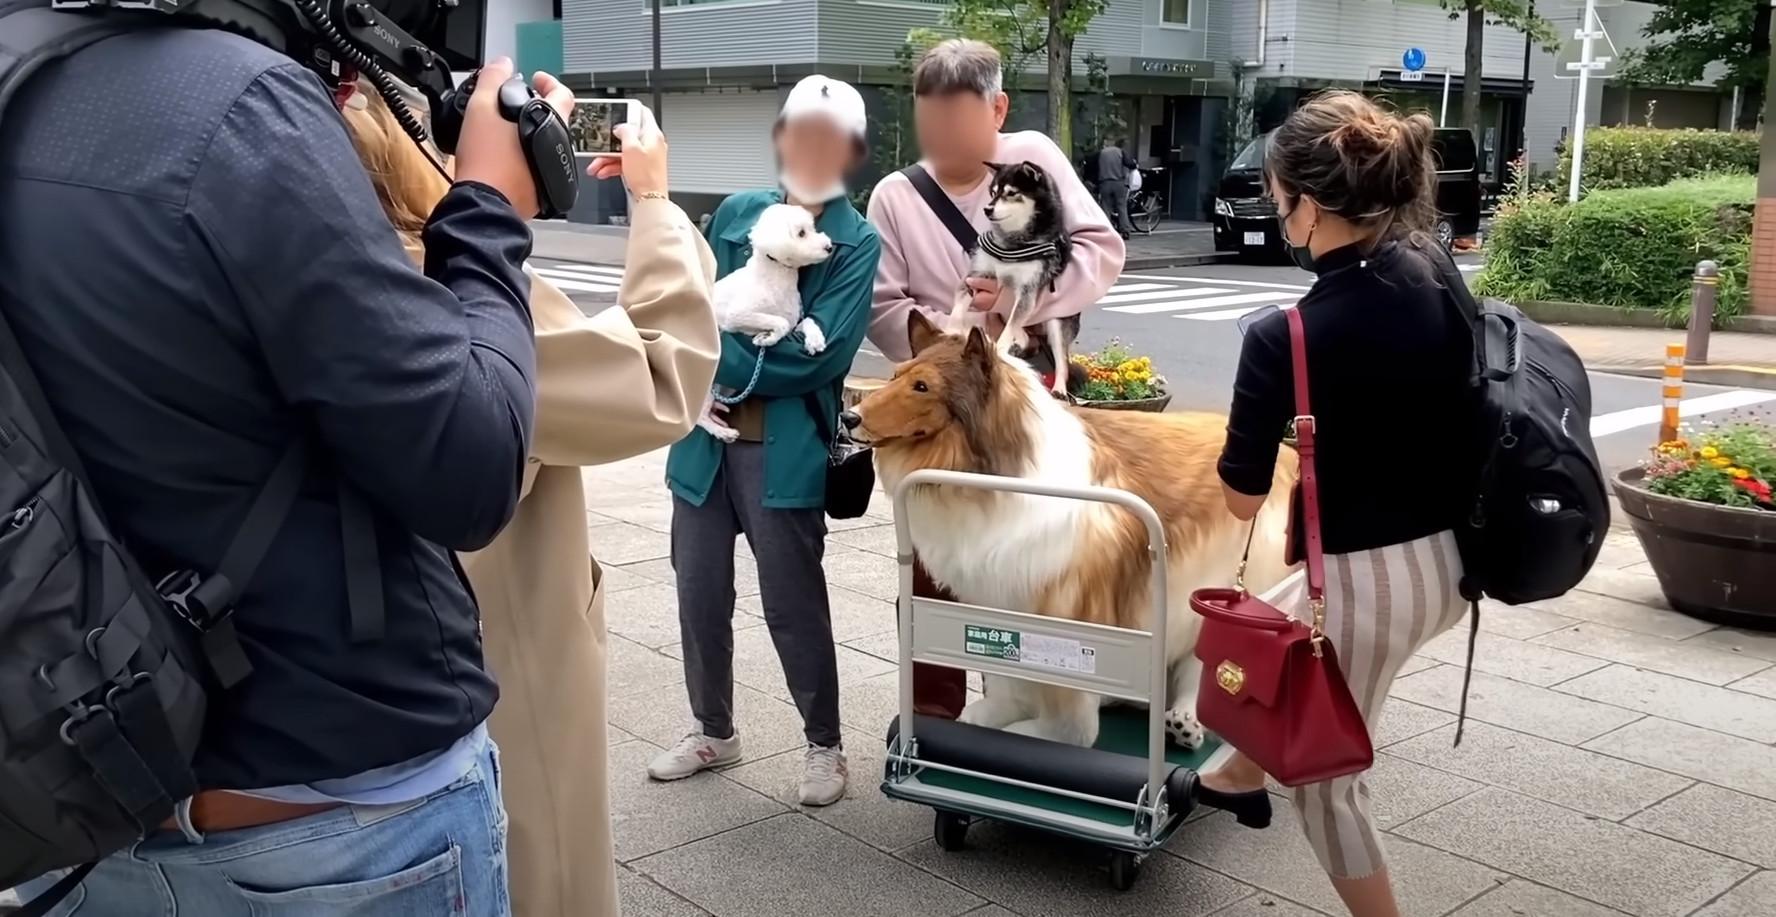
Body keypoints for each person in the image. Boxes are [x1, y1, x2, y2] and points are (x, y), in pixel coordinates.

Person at [0, 17, 559, 910]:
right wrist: (488, 205)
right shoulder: (236, 104)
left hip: (65, 800)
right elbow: (473, 463)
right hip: (336, 819)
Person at [340, 82, 719, 917]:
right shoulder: (444, 296)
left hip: (321, 714)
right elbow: (666, 369)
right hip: (488, 672)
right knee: (542, 870)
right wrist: (655, 201)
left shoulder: (272, 275)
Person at [1204, 91, 1475, 917]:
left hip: (1371, 580)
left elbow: (1241, 497)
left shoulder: (1284, 335)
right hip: (1457, 555)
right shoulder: (1430, 263)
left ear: (1310, 209)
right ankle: (1236, 771)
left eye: (1277, 198)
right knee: (1275, 633)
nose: (1275, 209)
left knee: (1325, 785)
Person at [865, 38, 1124, 719]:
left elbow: (1099, 249)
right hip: (938, 420)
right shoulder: (895, 196)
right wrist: (955, 342)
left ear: (998, 109)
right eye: (931, 120)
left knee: (1037, 557)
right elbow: (883, 307)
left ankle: (1035, 705)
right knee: (931, 562)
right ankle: (932, 717)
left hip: (1024, 405)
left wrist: (1015, 301)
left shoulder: (1031, 157)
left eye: (959, 119)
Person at [653, 75, 882, 806]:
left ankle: (825, 746)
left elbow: (821, 356)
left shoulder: (854, 239)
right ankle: (711, 729)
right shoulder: (739, 213)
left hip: (784, 448)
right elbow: (690, 307)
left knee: (792, 602)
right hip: (702, 444)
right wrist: (703, 360)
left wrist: (709, 363)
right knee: (698, 594)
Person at [1096, 137, 1139, 238]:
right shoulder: (1120, 152)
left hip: (1105, 183)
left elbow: (1094, 166)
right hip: (1118, 183)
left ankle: (1106, 231)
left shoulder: (1101, 153)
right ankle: (1125, 231)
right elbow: (1130, 164)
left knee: (1106, 207)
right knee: (1121, 207)